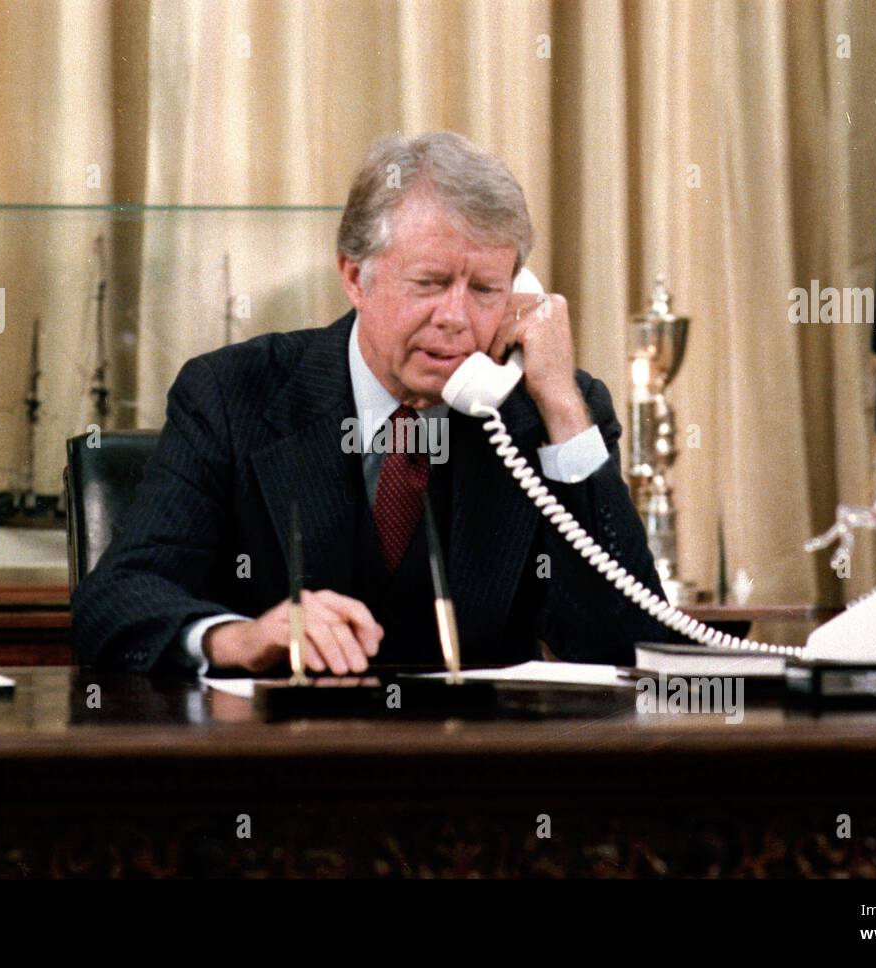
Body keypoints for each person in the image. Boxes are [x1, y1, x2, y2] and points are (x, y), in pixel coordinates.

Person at [72, 131, 672, 675]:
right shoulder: (232, 395)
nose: (456, 319)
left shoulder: (544, 410)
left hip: (481, 777)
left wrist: (562, 407)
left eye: (486, 290)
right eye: (430, 283)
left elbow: (630, 643)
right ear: (356, 277)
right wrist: (240, 639)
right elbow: (116, 600)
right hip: (280, 770)